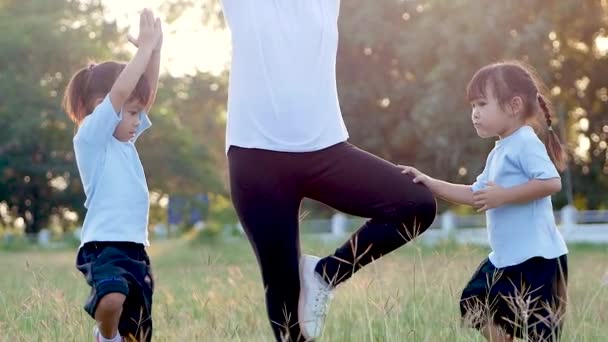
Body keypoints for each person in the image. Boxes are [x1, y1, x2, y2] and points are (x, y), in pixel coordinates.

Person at [219, 1, 437, 341]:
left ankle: (324, 274)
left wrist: (330, 271)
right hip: (255, 157)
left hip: (325, 150)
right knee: (286, 306)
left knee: (416, 204)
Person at [400, 61, 569, 342]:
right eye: (472, 106)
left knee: (542, 334)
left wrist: (503, 196)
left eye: (481, 104)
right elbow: (474, 194)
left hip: (540, 260)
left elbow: (551, 182)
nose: (474, 114)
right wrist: (429, 182)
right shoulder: (499, 151)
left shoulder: (525, 142)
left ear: (514, 106)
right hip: (507, 260)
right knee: (473, 303)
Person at [62, 9, 162, 342]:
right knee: (112, 297)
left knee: (138, 333)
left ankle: (120, 337)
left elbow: (141, 96)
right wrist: (143, 51)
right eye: (132, 113)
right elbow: (122, 94)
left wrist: (156, 51)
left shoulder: (125, 143)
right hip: (104, 247)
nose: (139, 119)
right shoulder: (92, 138)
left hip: (137, 251)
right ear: (107, 106)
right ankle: (105, 337)